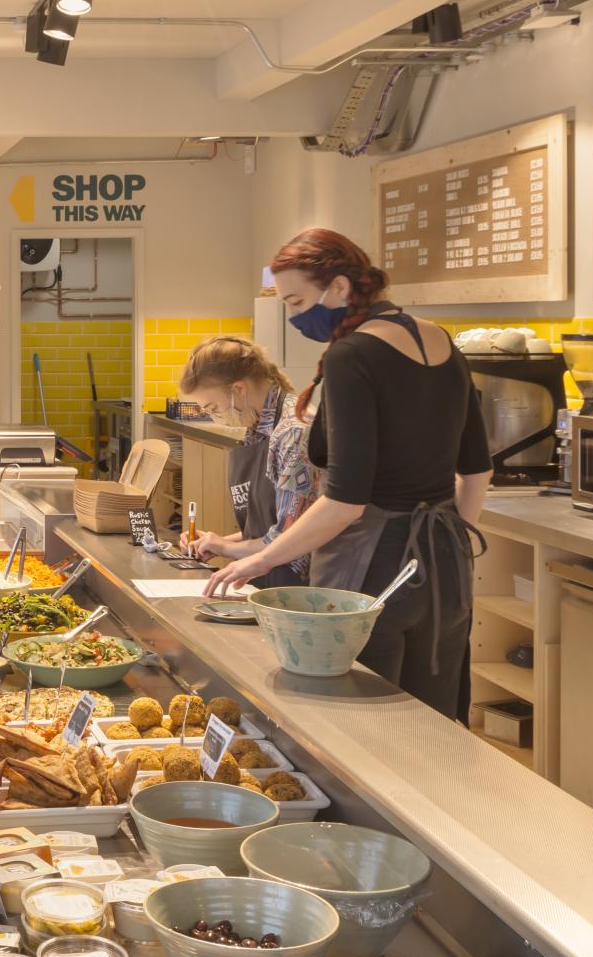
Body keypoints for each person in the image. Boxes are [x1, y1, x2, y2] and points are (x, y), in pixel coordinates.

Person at [206, 229, 492, 723]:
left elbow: (345, 502)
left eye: (297, 300)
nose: (294, 316)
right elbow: (476, 469)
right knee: (436, 725)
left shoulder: (351, 355)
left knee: (362, 726)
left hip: (369, 573)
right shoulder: (441, 341)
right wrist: (455, 548)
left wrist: (257, 562)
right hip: (445, 568)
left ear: (338, 288)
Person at [177, 336, 319, 589]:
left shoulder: (293, 431)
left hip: (297, 584)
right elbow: (267, 524)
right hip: (267, 572)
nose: (213, 416)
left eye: (212, 407)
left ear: (239, 389)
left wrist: (227, 548)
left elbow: (289, 537)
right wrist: (218, 542)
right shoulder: (256, 426)